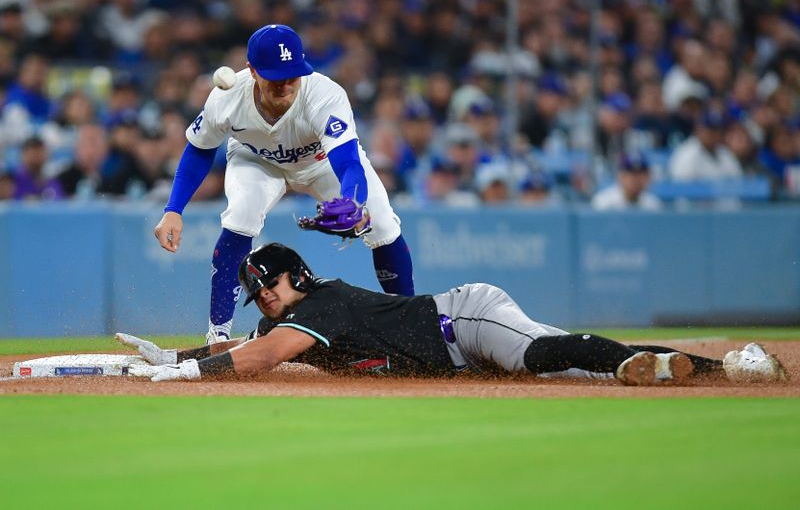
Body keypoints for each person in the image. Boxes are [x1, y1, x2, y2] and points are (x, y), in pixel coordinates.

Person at [120, 242, 787, 386]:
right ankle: (710, 368)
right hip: (464, 356)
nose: (262, 297)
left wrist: (188, 376)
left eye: (267, 285)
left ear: (295, 275)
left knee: (537, 353)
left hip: (463, 320)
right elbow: (246, 344)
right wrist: (172, 356)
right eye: (256, 293)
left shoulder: (318, 304)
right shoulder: (278, 320)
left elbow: (259, 358)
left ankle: (720, 364)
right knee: (575, 373)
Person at [152, 24, 415, 345]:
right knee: (241, 216)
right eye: (275, 76)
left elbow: (347, 160)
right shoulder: (227, 98)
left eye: (292, 74)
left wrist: (353, 201)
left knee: (384, 225)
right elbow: (199, 149)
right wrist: (173, 209)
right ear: (252, 70)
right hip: (257, 159)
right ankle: (217, 336)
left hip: (321, 164)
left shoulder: (324, 94)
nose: (286, 83)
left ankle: (410, 326)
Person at [591, 153, 663, 211]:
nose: (636, 179)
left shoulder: (653, 205)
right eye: (632, 174)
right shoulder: (603, 202)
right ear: (620, 177)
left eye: (640, 174)